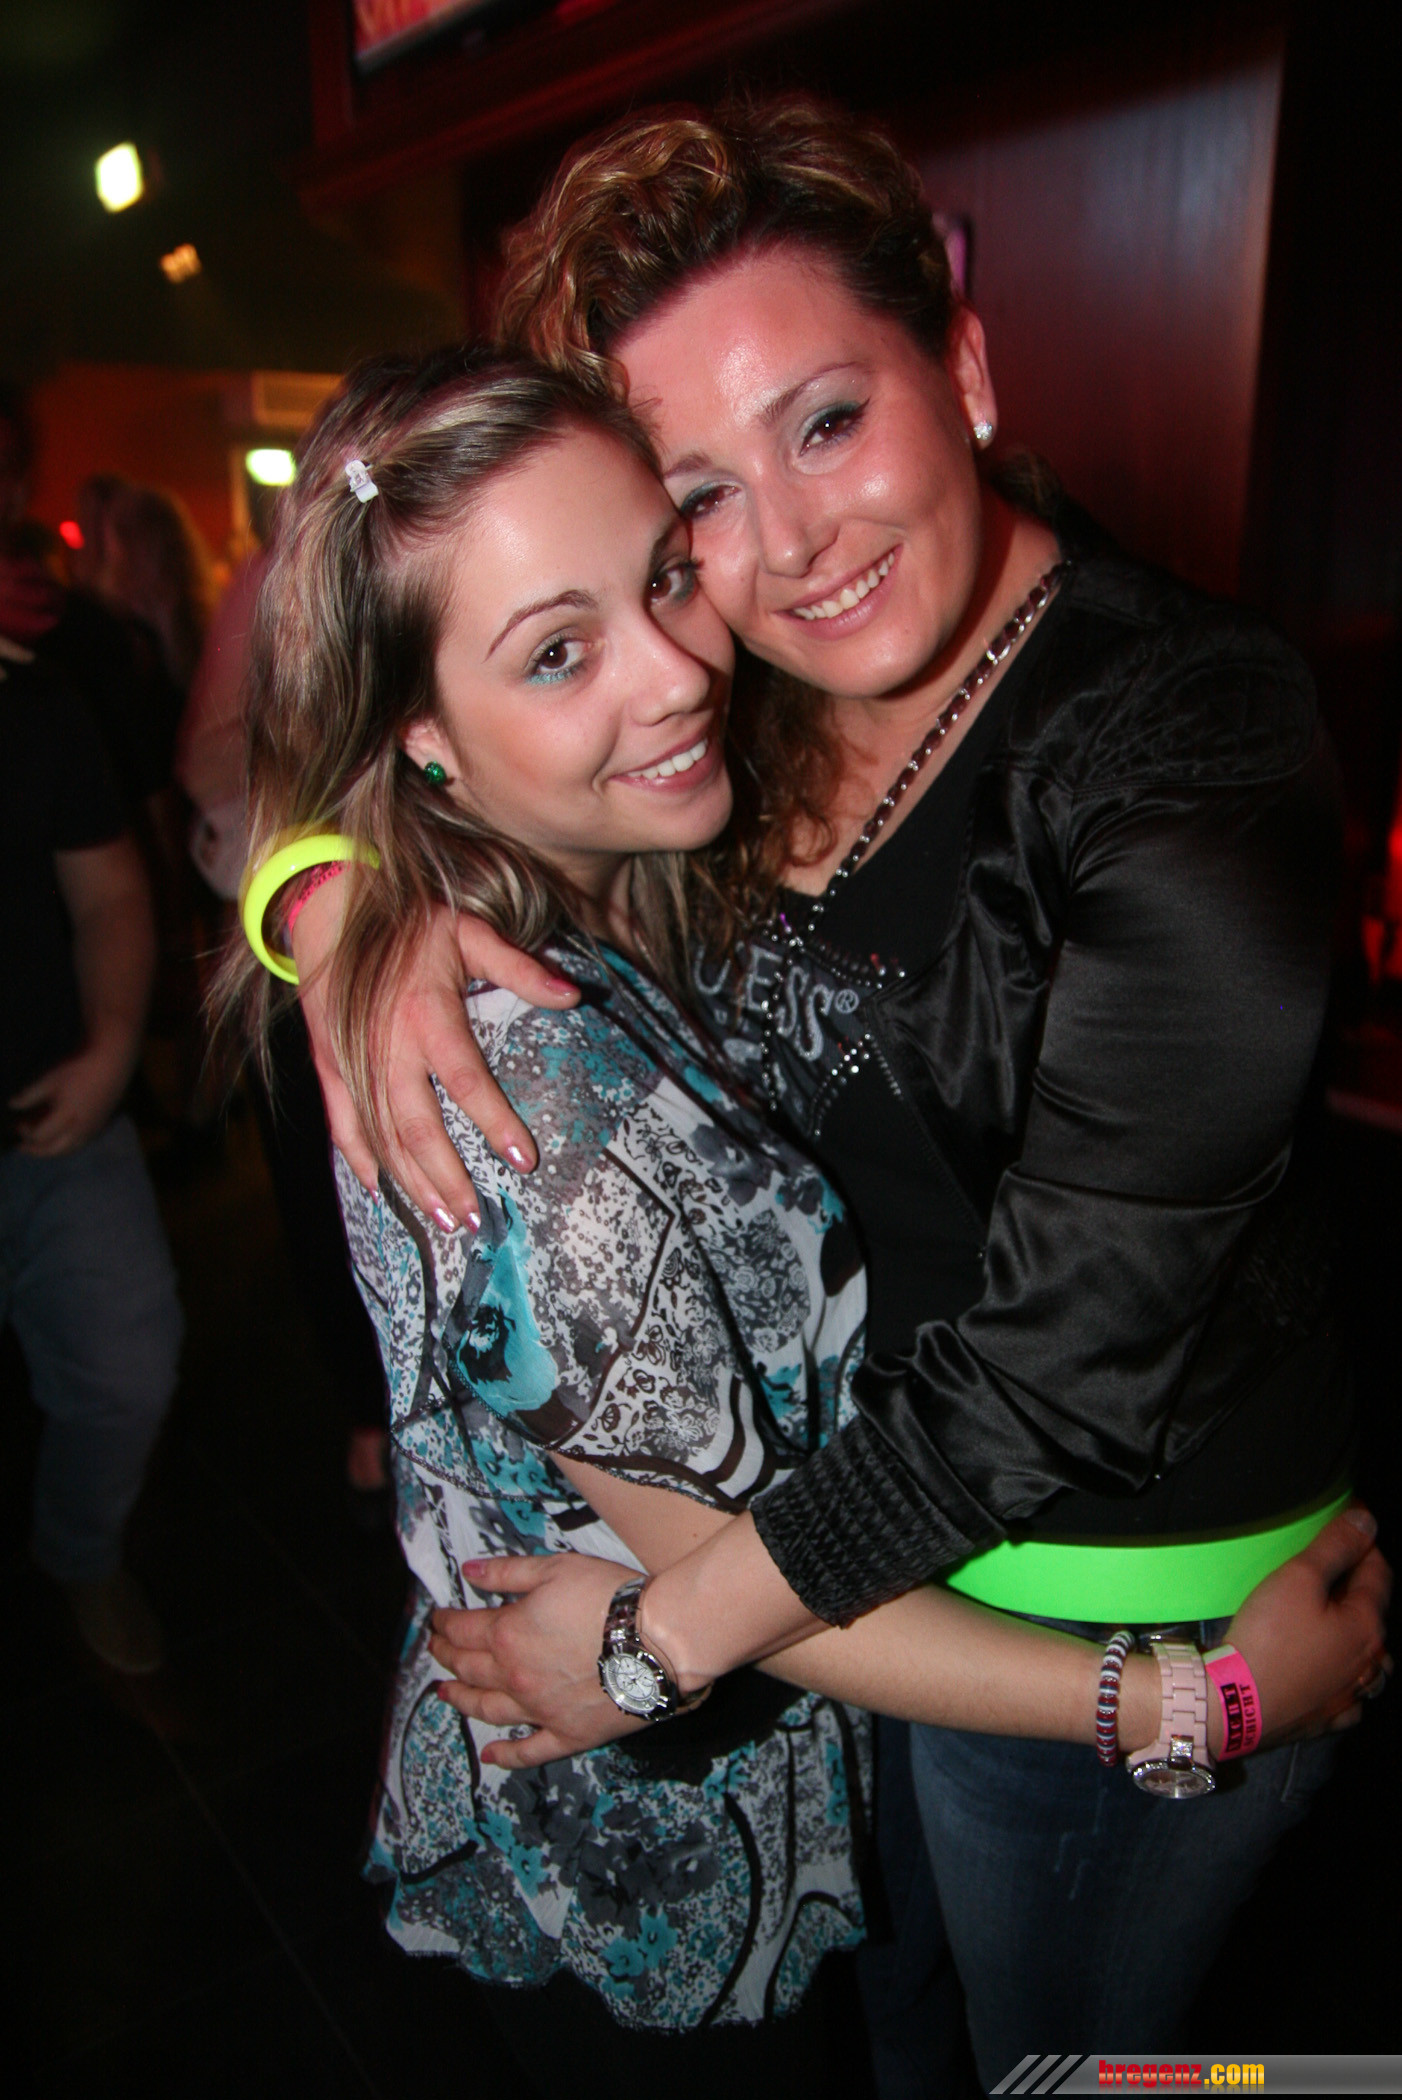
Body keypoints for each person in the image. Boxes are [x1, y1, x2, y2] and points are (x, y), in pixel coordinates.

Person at [224, 346, 1384, 2096]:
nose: (680, 666)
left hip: (801, 1733)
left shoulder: (595, 883)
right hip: (672, 1853)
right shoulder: (532, 1123)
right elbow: (736, 1582)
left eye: (661, 573)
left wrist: (315, 888)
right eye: (557, 651)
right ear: (425, 735)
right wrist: (1189, 1703)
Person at [0, 639, 182, 1674]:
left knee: (127, 1370)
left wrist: (112, 1050)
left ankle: (80, 1557)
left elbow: (109, 890)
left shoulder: (31, 700)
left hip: (52, 1115)